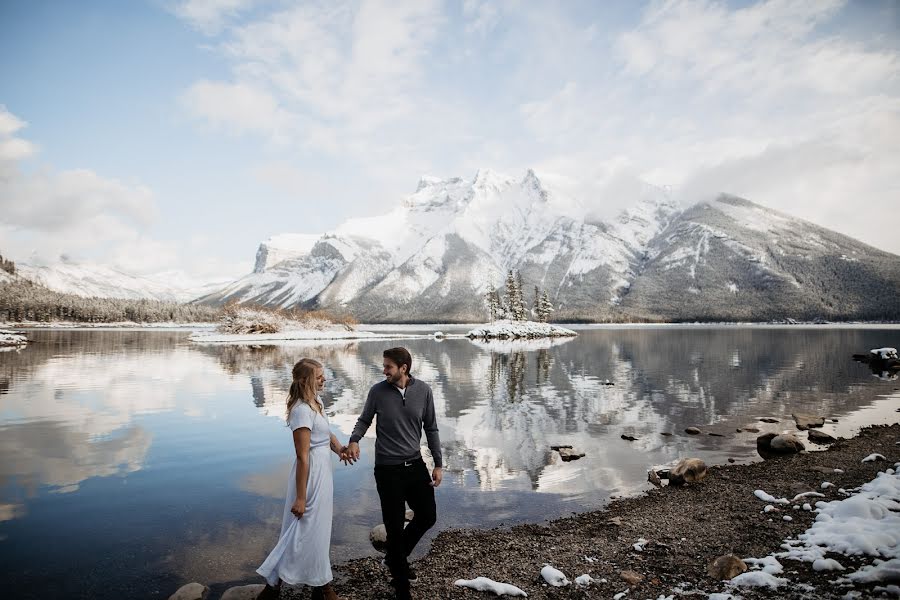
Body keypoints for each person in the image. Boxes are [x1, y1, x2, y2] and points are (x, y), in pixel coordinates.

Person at [346, 347, 442, 600]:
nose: (384, 370)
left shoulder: (423, 391)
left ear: (403, 368)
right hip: (387, 469)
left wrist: (438, 464)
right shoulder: (378, 391)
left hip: (415, 465)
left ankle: (394, 557)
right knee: (394, 525)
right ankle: (401, 586)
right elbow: (364, 419)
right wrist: (354, 440)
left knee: (427, 516)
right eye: (384, 366)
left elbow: (431, 428)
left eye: (388, 366)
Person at [257, 358, 349, 600]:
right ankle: (319, 586)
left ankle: (280, 586)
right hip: (310, 477)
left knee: (314, 530)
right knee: (302, 529)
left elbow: (325, 432)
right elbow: (302, 455)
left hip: (322, 472)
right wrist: (300, 497)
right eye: (319, 376)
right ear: (305, 380)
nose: (324, 379)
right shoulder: (300, 411)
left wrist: (340, 449)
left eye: (323, 374)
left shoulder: (315, 402)